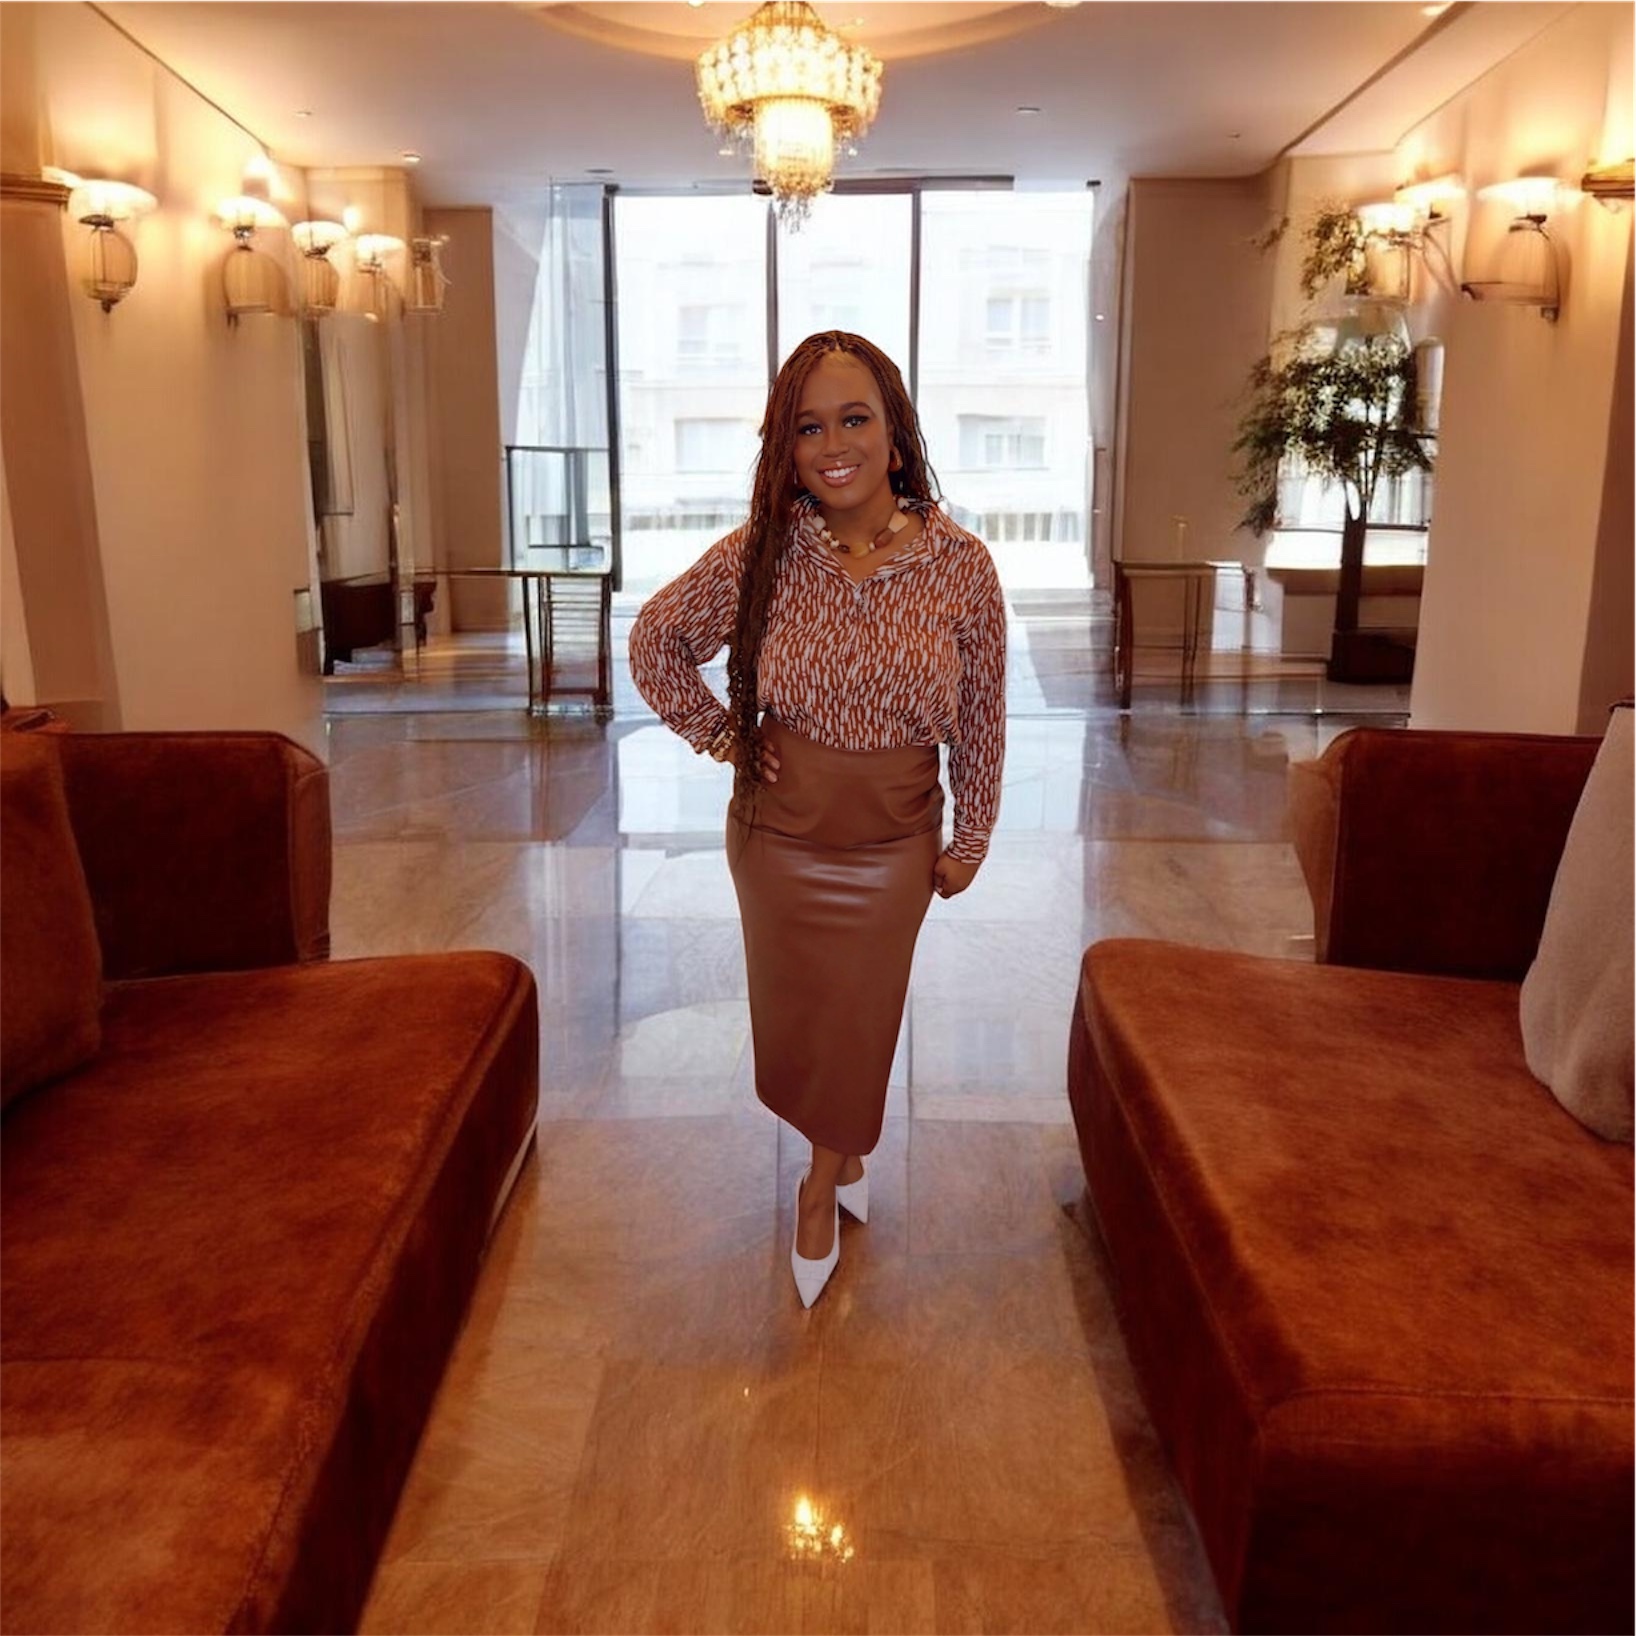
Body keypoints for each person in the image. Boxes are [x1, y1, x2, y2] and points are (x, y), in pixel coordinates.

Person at [628, 330, 1007, 1308]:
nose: (832, 445)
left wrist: (972, 834)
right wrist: (721, 735)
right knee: (801, 1021)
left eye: (854, 418)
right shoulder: (758, 555)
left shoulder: (961, 566)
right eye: (807, 427)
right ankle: (841, 1153)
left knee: (861, 1020)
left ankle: (817, 1182)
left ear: (894, 434)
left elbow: (981, 713)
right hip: (779, 839)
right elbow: (655, 640)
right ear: (786, 448)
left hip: (893, 839)